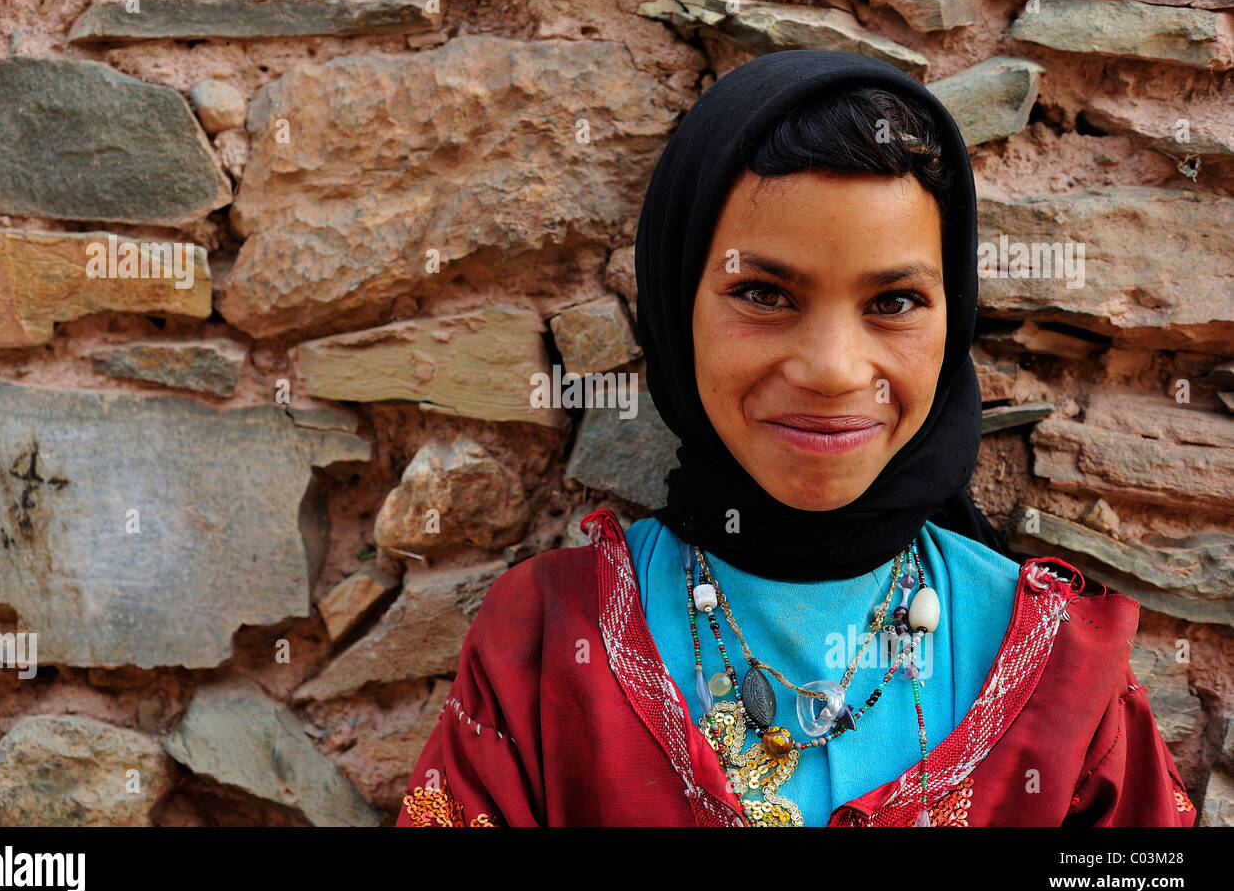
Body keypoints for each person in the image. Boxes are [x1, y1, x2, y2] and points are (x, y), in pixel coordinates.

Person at [396, 49, 1197, 826]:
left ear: (952, 318)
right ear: (677, 308)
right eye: (764, 293)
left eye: (893, 302)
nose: (833, 371)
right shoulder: (543, 647)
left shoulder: (1063, 674)